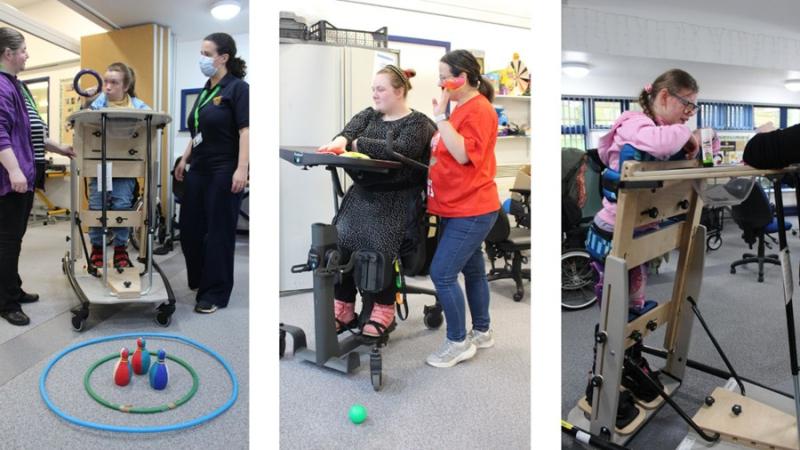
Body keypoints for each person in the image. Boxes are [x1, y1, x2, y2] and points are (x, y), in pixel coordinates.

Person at [583, 68, 704, 427]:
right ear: (664, 97)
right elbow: (661, 144)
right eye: (687, 104)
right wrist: (690, 136)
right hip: (612, 237)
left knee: (635, 312)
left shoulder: (660, 129)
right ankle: (599, 382)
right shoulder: (633, 124)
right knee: (614, 315)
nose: (689, 113)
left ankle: (631, 364)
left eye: (694, 107)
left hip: (639, 236)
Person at [318, 65, 436, 339]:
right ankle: (344, 306)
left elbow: (400, 150)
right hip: (362, 195)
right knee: (339, 244)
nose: (375, 94)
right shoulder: (369, 115)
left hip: (397, 197)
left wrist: (357, 145)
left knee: (377, 246)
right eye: (373, 89)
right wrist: (340, 141)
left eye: (380, 89)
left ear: (399, 91)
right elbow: (346, 133)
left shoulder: (417, 124)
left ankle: (384, 308)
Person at [424, 49, 500, 368]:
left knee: (441, 273)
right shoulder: (462, 107)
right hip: (459, 206)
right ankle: (481, 331)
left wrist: (440, 117)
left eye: (444, 78)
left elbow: (463, 154)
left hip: (472, 208)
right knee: (472, 270)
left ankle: (457, 342)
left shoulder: (478, 110)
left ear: (462, 78)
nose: (441, 84)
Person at [175, 33, 248, 314]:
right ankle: (200, 280)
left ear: (223, 58)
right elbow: (198, 132)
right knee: (190, 230)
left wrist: (242, 168)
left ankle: (215, 293)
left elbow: (246, 131)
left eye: (207, 53)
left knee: (218, 232)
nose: (202, 58)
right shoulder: (206, 90)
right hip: (199, 168)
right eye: (201, 52)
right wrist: (184, 158)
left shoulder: (238, 89)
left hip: (224, 168)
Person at [86, 62, 149, 269]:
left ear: (126, 86)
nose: (108, 86)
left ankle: (120, 250)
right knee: (98, 206)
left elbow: (153, 118)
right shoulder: (96, 104)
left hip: (127, 167)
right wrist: (85, 102)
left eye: (114, 82)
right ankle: (97, 248)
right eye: (105, 82)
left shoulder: (138, 106)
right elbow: (81, 123)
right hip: (100, 166)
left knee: (122, 206)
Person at [0, 28, 37, 325]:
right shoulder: (0, 85)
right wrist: (14, 170)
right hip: (10, 179)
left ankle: (13, 288)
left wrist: (57, 147)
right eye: (23, 50)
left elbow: (24, 132)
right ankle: (7, 302)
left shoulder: (14, 84)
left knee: (15, 240)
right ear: (8, 53)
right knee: (8, 241)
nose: (27, 55)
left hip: (23, 175)